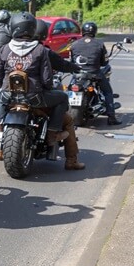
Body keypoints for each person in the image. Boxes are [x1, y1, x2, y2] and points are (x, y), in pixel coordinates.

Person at [0, 12, 70, 148]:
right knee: (63, 97)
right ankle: (52, 133)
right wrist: (47, 88)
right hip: (34, 97)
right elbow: (47, 79)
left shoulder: (5, 48)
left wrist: (4, 86)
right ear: (33, 29)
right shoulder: (40, 49)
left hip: (8, 96)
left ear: (12, 28)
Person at [35, 20, 86, 170]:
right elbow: (62, 65)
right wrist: (76, 68)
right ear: (43, 33)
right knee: (68, 118)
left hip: (14, 99)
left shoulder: (10, 49)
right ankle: (70, 159)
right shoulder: (43, 51)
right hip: (37, 98)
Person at [69, 21, 120, 126]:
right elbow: (105, 62)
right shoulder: (99, 44)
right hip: (94, 74)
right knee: (108, 92)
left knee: (70, 88)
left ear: (83, 31)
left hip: (78, 75)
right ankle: (111, 117)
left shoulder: (74, 45)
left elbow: (71, 61)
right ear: (95, 31)